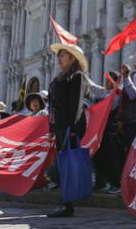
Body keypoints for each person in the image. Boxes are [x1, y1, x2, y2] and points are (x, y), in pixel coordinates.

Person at [46, 43, 90, 218]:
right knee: (64, 166)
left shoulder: (78, 77)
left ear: (73, 59)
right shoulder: (60, 78)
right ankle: (65, 203)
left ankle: (66, 204)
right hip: (60, 127)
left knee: (67, 166)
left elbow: (76, 105)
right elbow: (54, 106)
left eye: (63, 55)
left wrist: (73, 127)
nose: (59, 58)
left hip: (70, 127)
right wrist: (52, 127)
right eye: (59, 55)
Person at [92, 71, 124, 195]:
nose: (106, 84)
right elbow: (95, 88)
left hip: (111, 129)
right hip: (101, 129)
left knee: (112, 157)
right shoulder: (105, 93)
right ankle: (101, 182)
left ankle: (116, 183)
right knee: (99, 156)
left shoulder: (115, 94)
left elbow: (109, 107)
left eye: (109, 81)